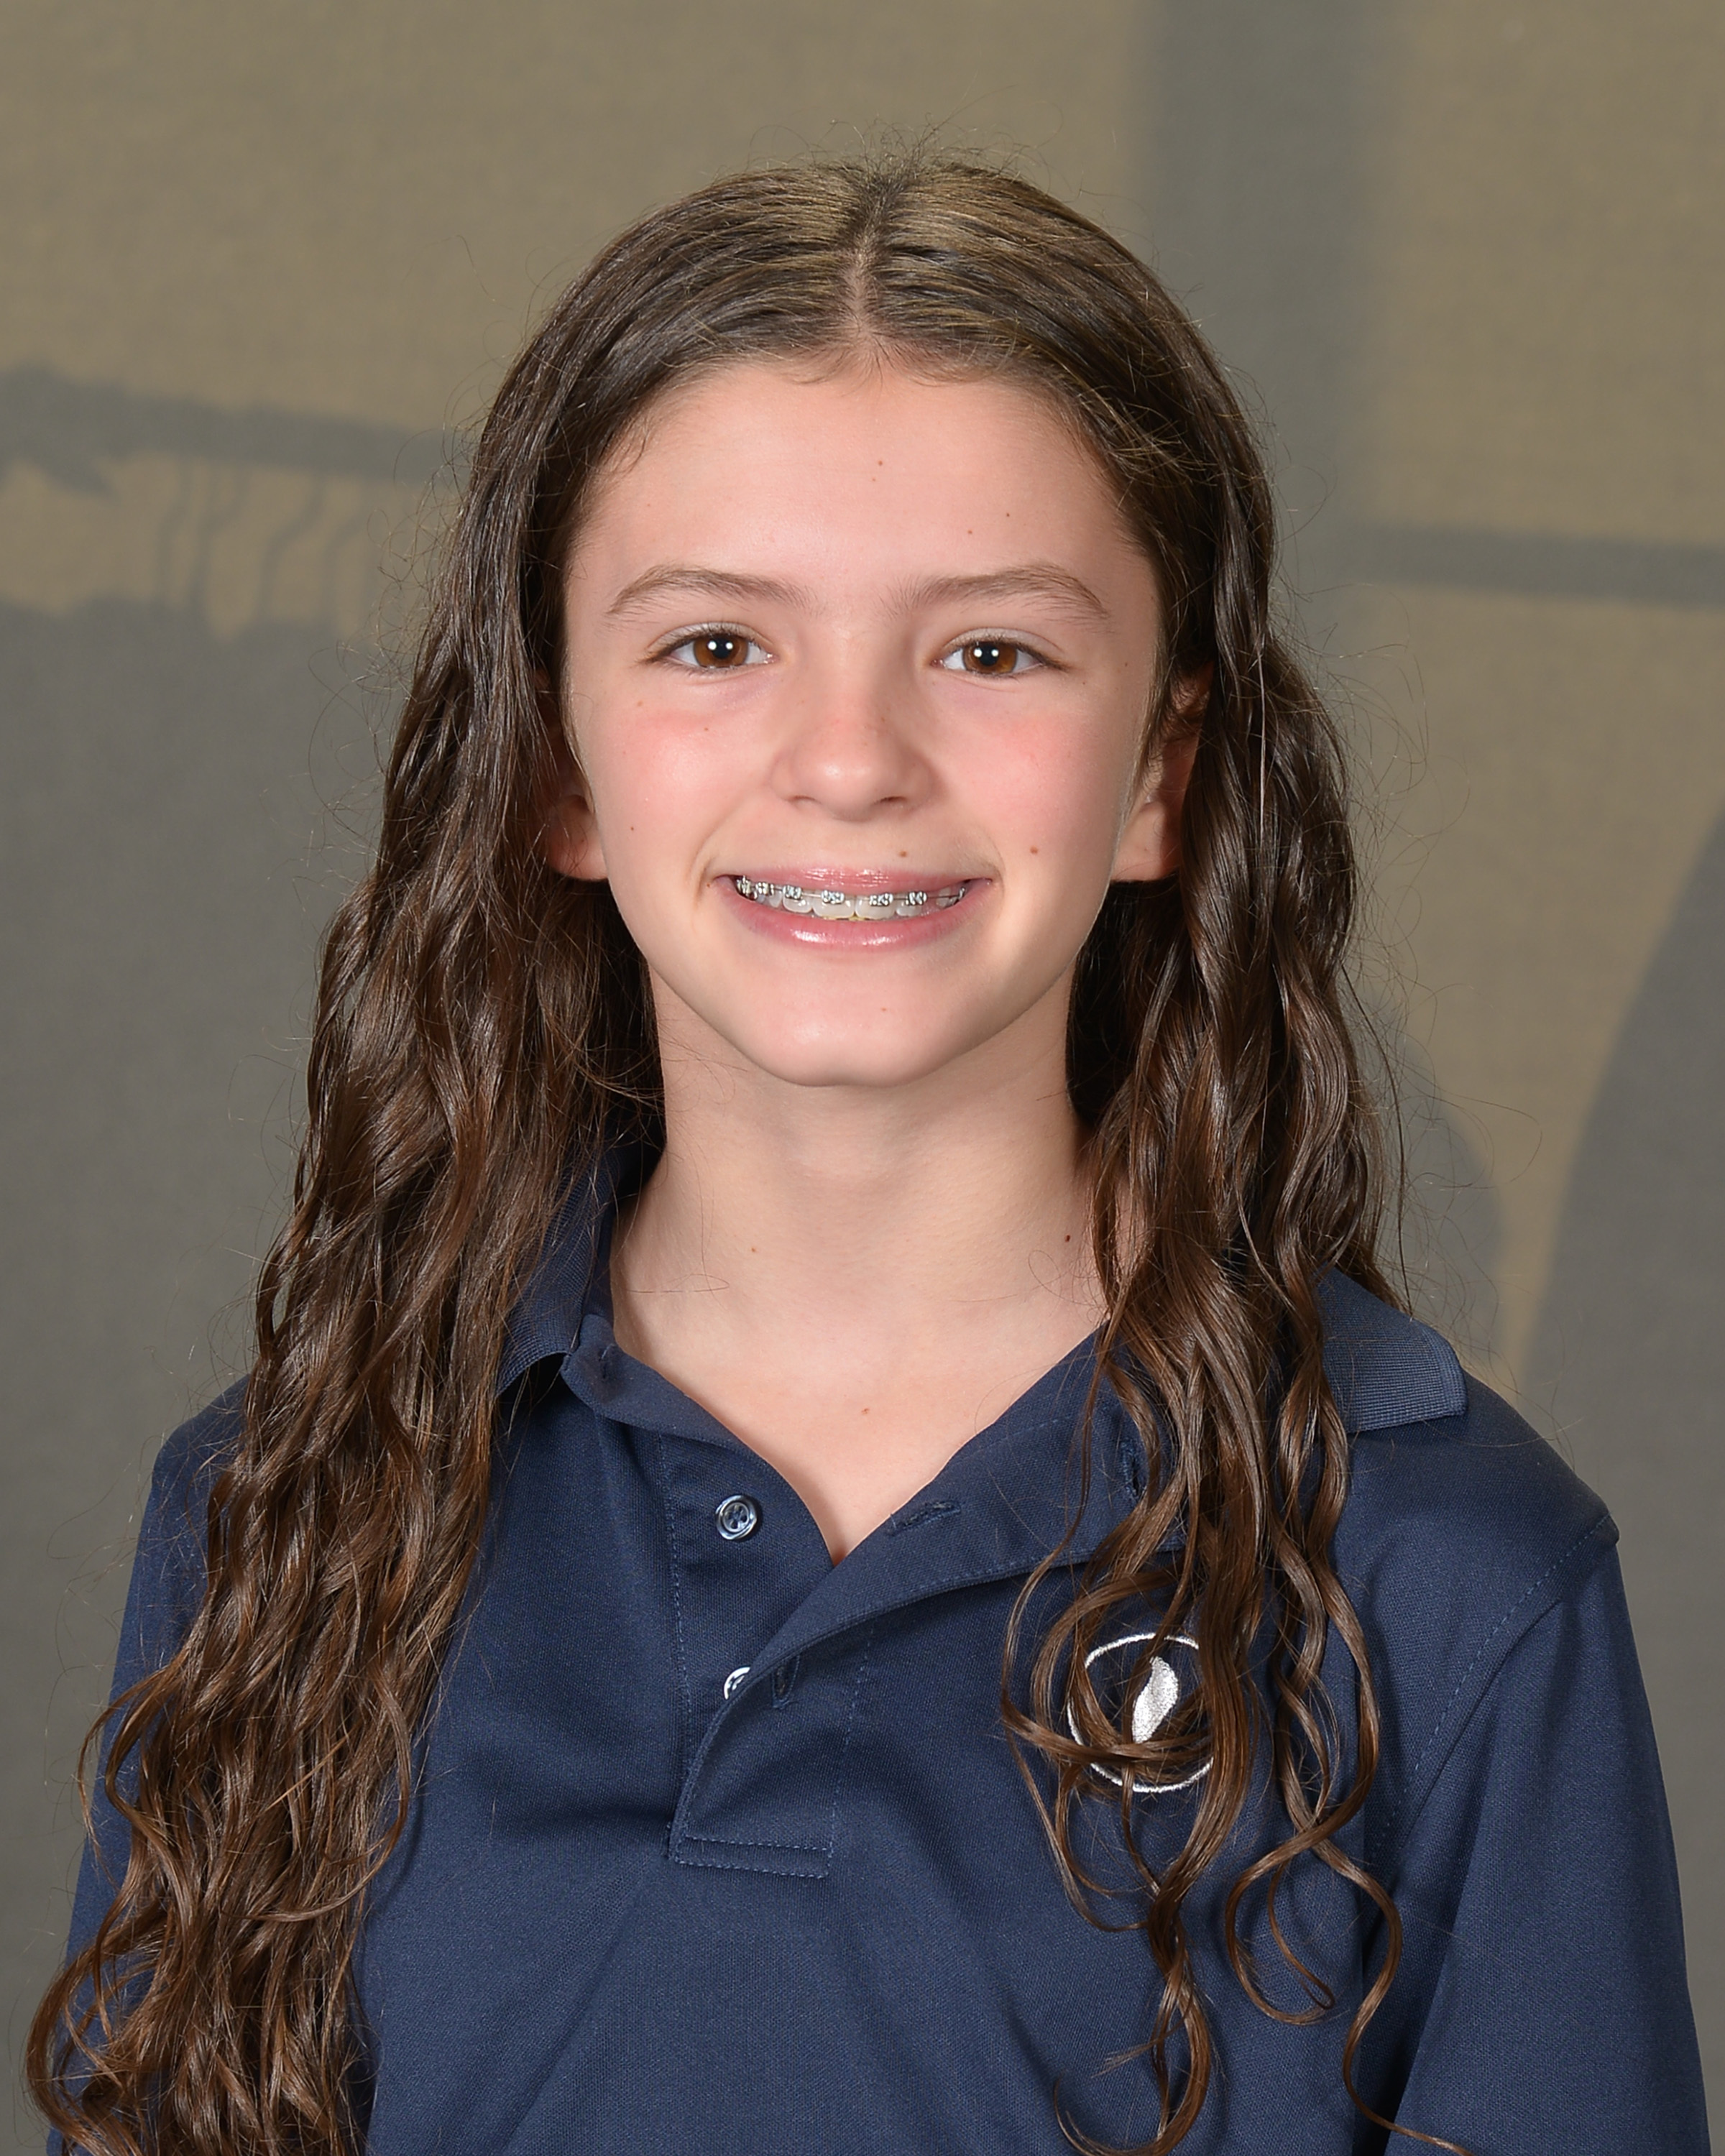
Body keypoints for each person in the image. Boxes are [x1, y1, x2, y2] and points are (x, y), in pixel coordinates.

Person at [30, 152, 1708, 2156]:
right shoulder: (291, 1506)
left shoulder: (1446, 1570)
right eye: (714, 646)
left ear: (1162, 778)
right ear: (556, 765)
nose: (848, 762)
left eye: (991, 652)